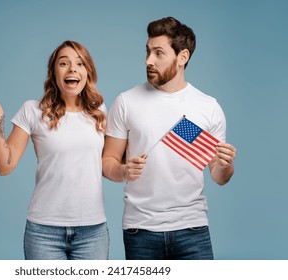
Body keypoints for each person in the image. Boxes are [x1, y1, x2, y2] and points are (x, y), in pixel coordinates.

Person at [102, 17, 236, 260]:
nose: (148, 60)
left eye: (158, 53)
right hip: (140, 230)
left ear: (182, 57)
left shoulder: (208, 107)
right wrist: (124, 171)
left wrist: (225, 166)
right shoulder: (125, 102)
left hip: (192, 229)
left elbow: (218, 176)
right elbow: (107, 161)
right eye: (148, 51)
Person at [0, 40, 109, 260]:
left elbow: (109, 162)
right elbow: (4, 166)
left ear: (88, 72)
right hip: (44, 232)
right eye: (64, 63)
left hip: (92, 230)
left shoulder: (100, 112)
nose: (72, 69)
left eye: (79, 63)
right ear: (54, 72)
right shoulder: (33, 110)